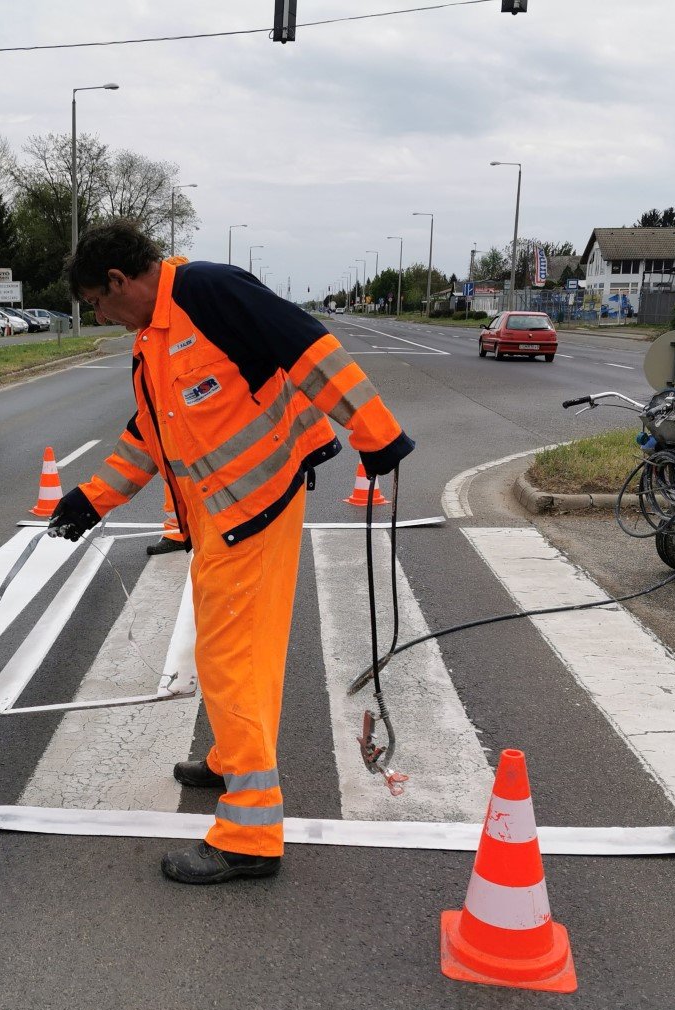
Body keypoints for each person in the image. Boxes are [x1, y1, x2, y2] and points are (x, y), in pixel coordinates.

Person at [48, 221, 414, 885]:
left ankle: (249, 834)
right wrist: (93, 498)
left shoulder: (209, 293)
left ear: (119, 281)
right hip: (224, 516)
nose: (98, 316)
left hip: (254, 506)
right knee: (244, 650)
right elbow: (152, 433)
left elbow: (310, 349)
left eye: (97, 303)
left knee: (229, 658)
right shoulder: (152, 342)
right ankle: (230, 759)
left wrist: (376, 431)